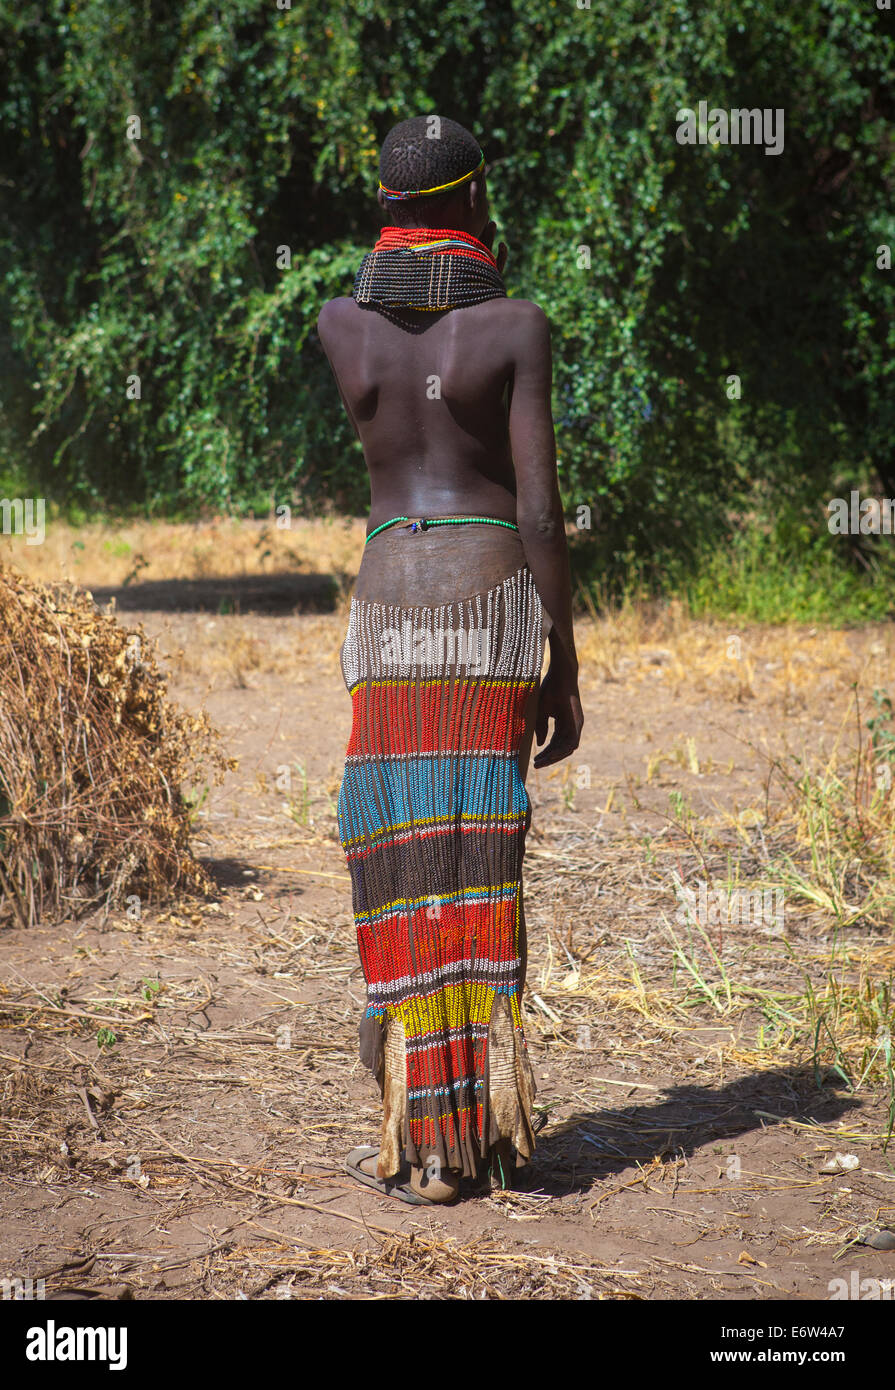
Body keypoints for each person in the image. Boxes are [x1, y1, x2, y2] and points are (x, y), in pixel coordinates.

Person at [318, 115, 583, 1205]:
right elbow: (541, 514)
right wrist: (563, 662)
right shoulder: (515, 328)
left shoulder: (341, 326)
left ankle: (424, 1141)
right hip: (487, 607)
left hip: (387, 612)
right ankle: (479, 1138)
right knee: (477, 859)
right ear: (474, 200)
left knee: (400, 859)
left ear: (385, 206)